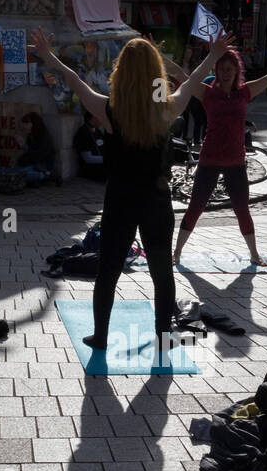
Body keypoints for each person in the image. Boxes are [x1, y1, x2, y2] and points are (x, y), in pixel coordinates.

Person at [29, 27, 231, 354]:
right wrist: (213, 54)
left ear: (121, 72)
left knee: (108, 270)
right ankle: (164, 336)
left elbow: (74, 82)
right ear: (155, 73)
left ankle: (101, 336)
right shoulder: (165, 109)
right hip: (156, 200)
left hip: (120, 199)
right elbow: (193, 81)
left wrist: (48, 55)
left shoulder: (109, 109)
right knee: (162, 272)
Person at [173, 37, 267, 266]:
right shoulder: (208, 93)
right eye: (222, 69)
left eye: (230, 69)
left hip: (235, 162)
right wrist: (157, 57)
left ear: (236, 70)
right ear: (216, 71)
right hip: (209, 160)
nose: (226, 73)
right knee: (196, 206)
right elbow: (182, 76)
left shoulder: (244, 93)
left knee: (242, 209)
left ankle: (254, 254)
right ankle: (177, 251)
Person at [13, 111, 59, 186]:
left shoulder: (44, 136)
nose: (24, 126)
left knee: (20, 174)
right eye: (24, 124)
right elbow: (30, 154)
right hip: (34, 164)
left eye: (27, 123)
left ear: (33, 123)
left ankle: (48, 175)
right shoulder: (31, 136)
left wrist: (25, 147)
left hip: (42, 165)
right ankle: (37, 179)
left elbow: (39, 156)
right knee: (16, 172)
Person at [74, 109, 108, 181]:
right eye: (101, 117)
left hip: (103, 165)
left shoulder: (96, 130)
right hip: (92, 170)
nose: (103, 120)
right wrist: (108, 160)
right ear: (94, 117)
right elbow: (88, 159)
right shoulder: (83, 132)